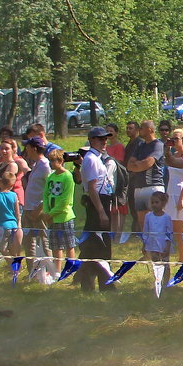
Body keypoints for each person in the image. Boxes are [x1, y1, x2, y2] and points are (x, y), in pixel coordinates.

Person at [78, 126, 115, 292]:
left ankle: (97, 281)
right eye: (100, 139)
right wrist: (100, 211)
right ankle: (100, 282)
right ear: (92, 140)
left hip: (104, 200)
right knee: (97, 244)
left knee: (98, 244)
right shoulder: (91, 159)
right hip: (97, 203)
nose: (104, 142)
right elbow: (92, 188)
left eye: (105, 139)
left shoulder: (97, 158)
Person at [42, 149, 76, 274]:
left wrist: (51, 213)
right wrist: (46, 212)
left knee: (69, 244)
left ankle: (70, 268)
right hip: (52, 218)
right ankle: (56, 270)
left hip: (64, 216)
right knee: (56, 245)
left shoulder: (67, 176)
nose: (50, 163)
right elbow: (45, 195)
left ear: (61, 161)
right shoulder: (51, 176)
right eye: (49, 161)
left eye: (53, 161)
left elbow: (64, 200)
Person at [21, 135, 53, 269]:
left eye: (27, 147)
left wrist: (40, 208)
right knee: (29, 243)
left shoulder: (45, 165)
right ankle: (32, 271)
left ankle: (50, 271)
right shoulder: (35, 164)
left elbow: (51, 190)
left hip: (38, 211)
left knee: (44, 240)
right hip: (28, 209)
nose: (26, 149)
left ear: (34, 148)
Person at [128, 120, 165, 224]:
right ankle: (146, 241)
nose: (139, 130)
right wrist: (140, 165)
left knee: (156, 221)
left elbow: (148, 163)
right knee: (142, 222)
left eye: (141, 128)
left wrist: (138, 164)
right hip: (139, 188)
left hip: (153, 186)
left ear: (150, 129)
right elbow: (129, 165)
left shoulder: (158, 145)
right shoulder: (140, 145)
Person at [163, 127, 183, 263]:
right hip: (170, 192)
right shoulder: (173, 156)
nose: (174, 141)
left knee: (180, 230)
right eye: (172, 138)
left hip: (180, 193)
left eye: (177, 138)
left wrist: (182, 199)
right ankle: (177, 257)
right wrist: (167, 149)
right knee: (173, 228)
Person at [142, 190, 173, 285]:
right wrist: (144, 244)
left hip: (163, 244)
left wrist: (167, 246)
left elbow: (169, 233)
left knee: (165, 264)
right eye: (152, 202)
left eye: (157, 202)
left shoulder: (166, 217)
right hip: (152, 244)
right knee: (156, 264)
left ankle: (166, 283)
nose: (154, 204)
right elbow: (145, 231)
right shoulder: (148, 216)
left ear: (163, 203)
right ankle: (157, 282)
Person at [0, 171, 22, 257]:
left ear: (1, 182)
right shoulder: (14, 195)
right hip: (14, 225)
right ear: (12, 185)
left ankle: (11, 264)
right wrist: (19, 224)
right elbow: (17, 213)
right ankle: (14, 268)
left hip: (1, 226)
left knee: (2, 249)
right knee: (13, 249)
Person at [105, 123, 127, 236]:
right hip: (107, 182)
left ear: (116, 132)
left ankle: (118, 234)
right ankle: (111, 234)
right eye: (107, 130)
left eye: (111, 130)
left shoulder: (119, 146)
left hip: (118, 180)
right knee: (111, 209)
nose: (109, 132)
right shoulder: (106, 148)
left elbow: (119, 162)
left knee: (118, 208)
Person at [124, 121, 143, 233]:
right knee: (131, 204)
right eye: (127, 128)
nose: (128, 130)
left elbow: (139, 161)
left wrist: (132, 175)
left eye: (130, 128)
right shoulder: (130, 143)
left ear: (137, 130)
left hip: (136, 179)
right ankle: (135, 228)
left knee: (137, 205)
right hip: (129, 178)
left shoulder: (139, 143)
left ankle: (138, 229)